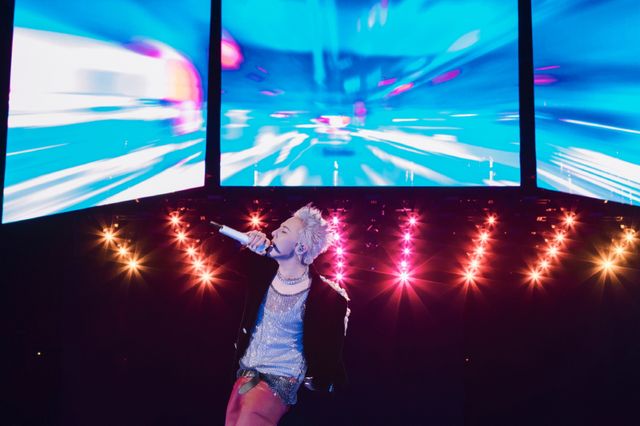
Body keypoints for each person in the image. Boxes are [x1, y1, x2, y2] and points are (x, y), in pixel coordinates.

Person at [225, 204, 350, 426]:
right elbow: (212, 255)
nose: (272, 233)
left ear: (301, 247)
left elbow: (330, 355)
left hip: (278, 383)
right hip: (245, 376)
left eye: (283, 231)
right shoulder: (261, 271)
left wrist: (319, 382)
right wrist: (242, 242)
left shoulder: (327, 298)